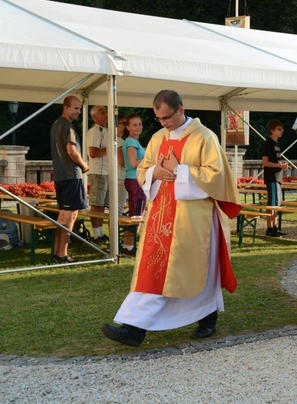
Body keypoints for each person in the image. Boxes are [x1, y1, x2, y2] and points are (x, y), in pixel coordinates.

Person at [101, 89, 241, 347]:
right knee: (152, 270)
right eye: (159, 119)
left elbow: (217, 175)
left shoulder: (204, 137)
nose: (164, 124)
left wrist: (179, 170)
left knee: (198, 270)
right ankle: (133, 329)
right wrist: (156, 172)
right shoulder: (157, 138)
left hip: (193, 219)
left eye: (167, 117)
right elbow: (143, 170)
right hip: (161, 217)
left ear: (181, 110)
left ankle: (207, 319)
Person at [49, 95, 89, 263]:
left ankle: (57, 253)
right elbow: (72, 151)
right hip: (71, 176)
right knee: (70, 217)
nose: (79, 112)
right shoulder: (68, 127)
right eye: (76, 108)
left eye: (80, 108)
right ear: (66, 107)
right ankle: (63, 254)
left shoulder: (56, 124)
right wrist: (84, 165)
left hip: (60, 176)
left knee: (63, 216)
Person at [120, 114, 146, 256]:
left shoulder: (133, 142)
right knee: (135, 214)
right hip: (134, 180)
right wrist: (150, 157)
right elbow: (133, 163)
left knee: (136, 213)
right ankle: (128, 247)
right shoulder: (130, 142)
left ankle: (128, 245)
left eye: (140, 124)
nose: (138, 127)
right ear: (128, 127)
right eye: (134, 125)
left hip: (135, 180)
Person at [85, 105, 110, 244]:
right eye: (102, 113)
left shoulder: (105, 131)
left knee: (101, 204)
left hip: (106, 172)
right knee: (96, 203)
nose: (106, 114)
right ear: (94, 117)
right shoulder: (95, 131)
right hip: (98, 172)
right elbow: (93, 153)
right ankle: (96, 235)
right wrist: (109, 148)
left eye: (106, 112)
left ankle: (100, 233)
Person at [261, 119, 289, 237]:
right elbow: (265, 162)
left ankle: (275, 226)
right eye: (278, 129)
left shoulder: (276, 144)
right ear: (272, 130)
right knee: (272, 203)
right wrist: (279, 166)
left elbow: (275, 160)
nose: (281, 131)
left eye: (282, 129)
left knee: (277, 203)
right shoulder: (268, 143)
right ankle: (269, 228)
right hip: (271, 177)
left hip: (277, 177)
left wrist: (283, 166)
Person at [115, 116, 128, 216]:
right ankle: (114, 232)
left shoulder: (110, 139)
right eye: (123, 123)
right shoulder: (119, 141)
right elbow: (122, 162)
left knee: (115, 208)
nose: (125, 126)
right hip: (120, 177)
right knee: (118, 208)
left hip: (113, 176)